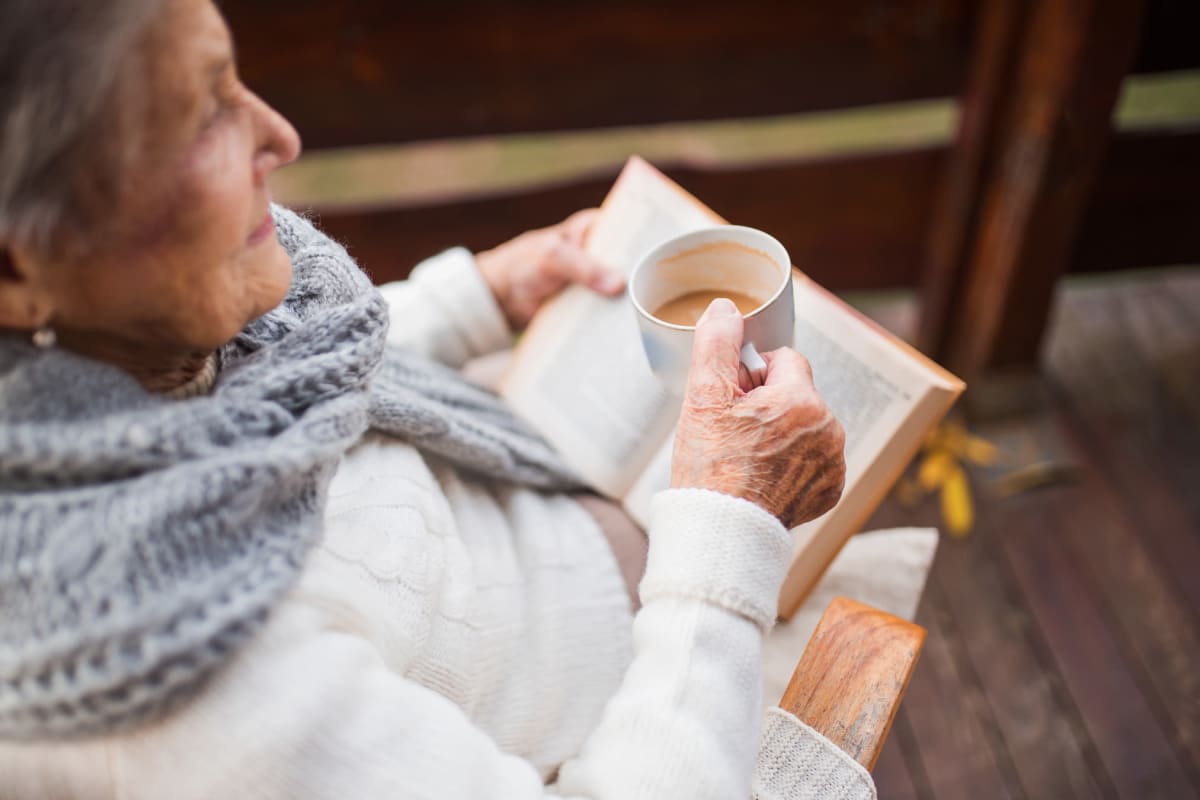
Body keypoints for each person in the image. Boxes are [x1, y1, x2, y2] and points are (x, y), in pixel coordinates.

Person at [0, 0, 860, 797]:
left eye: (233, 78)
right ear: (16, 271)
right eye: (197, 118)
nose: (281, 136)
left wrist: (477, 301)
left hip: (564, 529)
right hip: (675, 687)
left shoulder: (134, 344)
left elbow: (254, 391)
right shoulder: (185, 690)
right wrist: (725, 533)